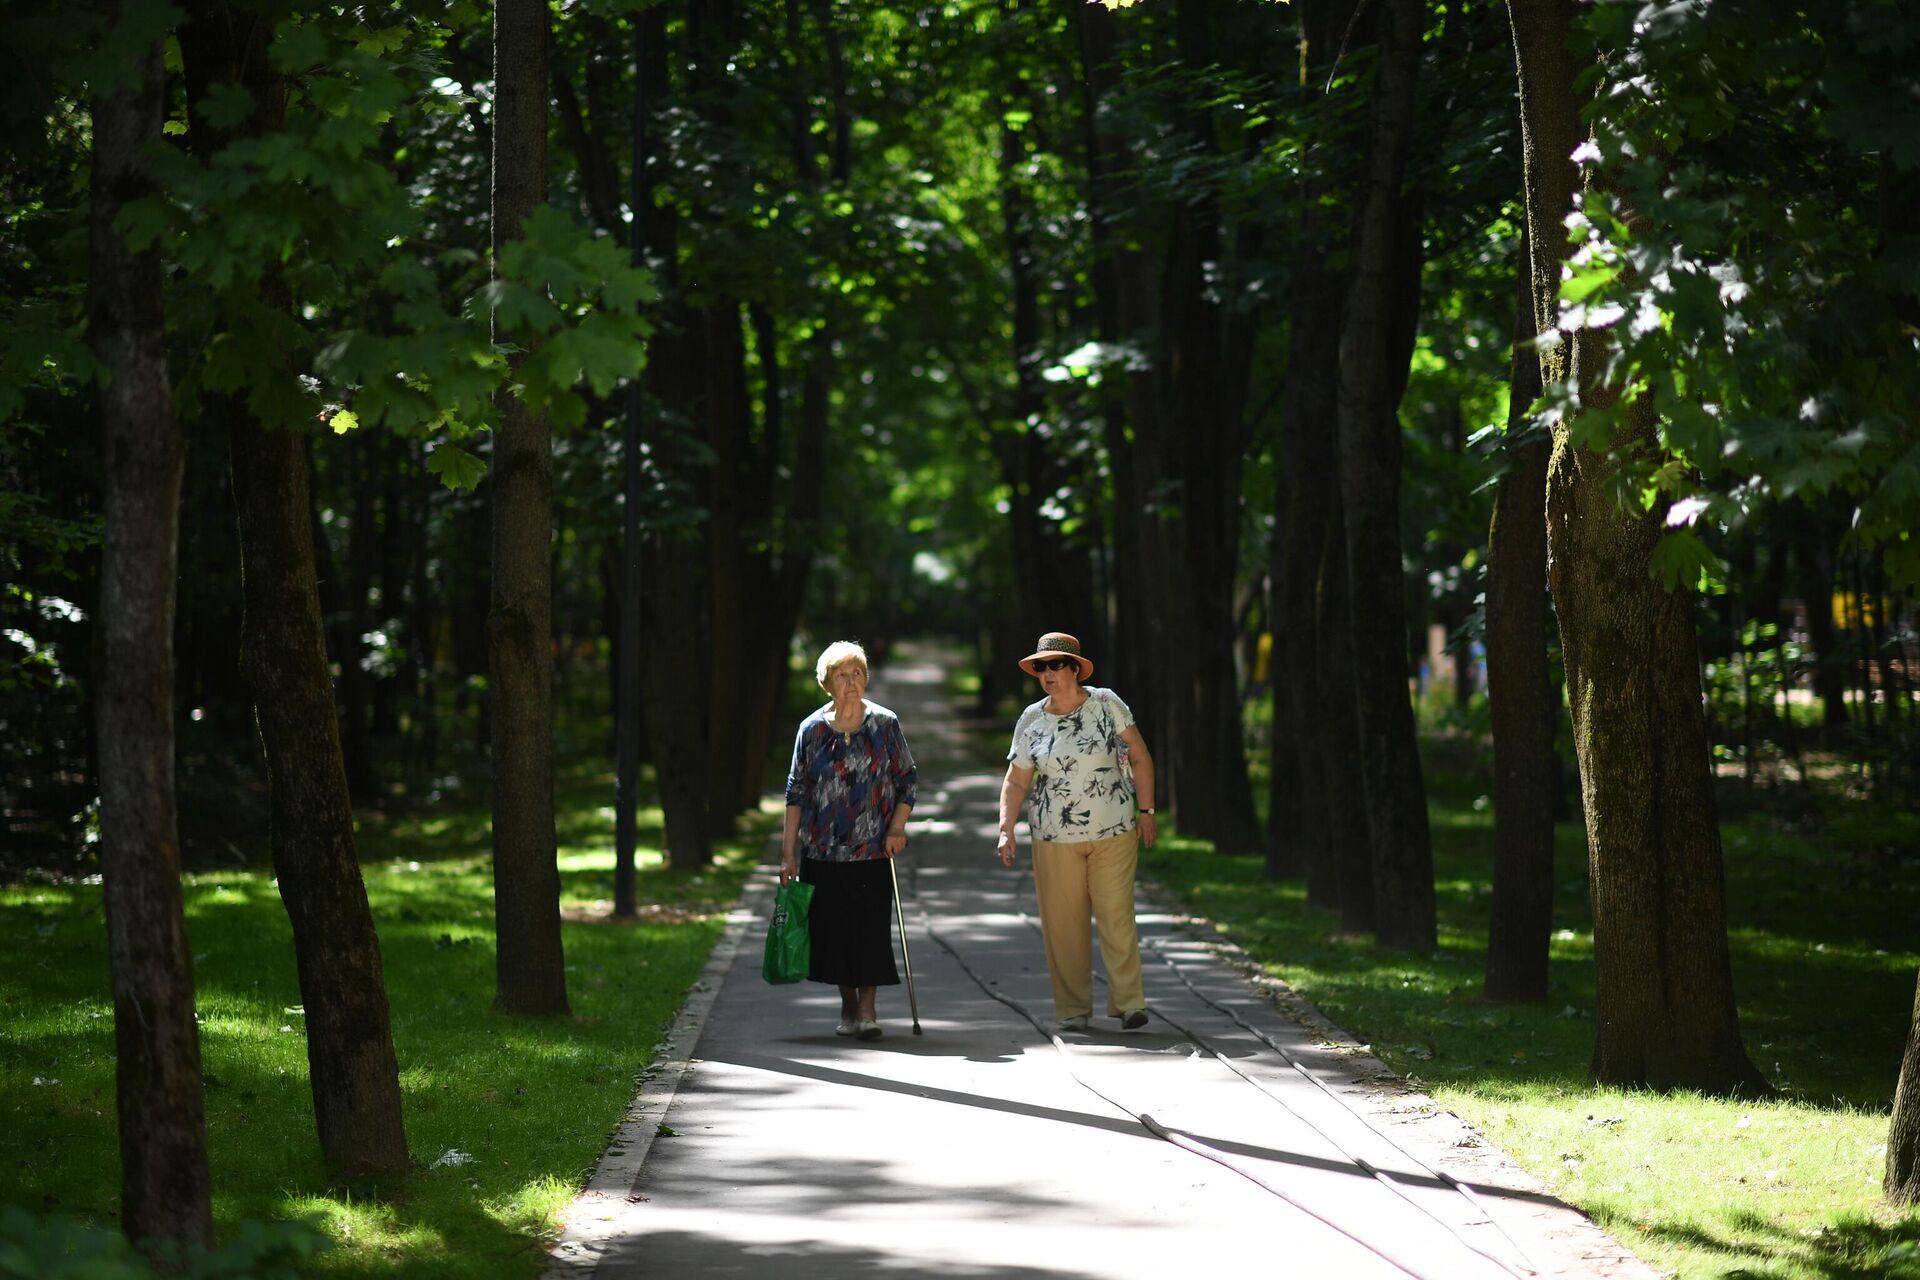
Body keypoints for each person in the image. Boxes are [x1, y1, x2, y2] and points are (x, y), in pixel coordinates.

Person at [995, 631, 1158, 1033]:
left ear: (1073, 669)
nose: (1047, 674)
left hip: (1115, 829)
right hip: (1054, 838)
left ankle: (1129, 1003)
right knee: (1062, 924)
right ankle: (1072, 1008)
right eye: (1040, 667)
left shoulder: (1105, 703)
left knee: (1116, 915)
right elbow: (1016, 781)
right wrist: (1005, 828)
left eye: (1054, 665)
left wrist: (1148, 810)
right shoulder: (1031, 719)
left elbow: (1139, 756)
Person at [782, 641, 917, 1040]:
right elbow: (795, 793)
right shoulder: (811, 730)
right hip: (822, 851)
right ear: (826, 683)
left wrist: (896, 828)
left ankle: (869, 1008)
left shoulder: (884, 724)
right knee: (834, 931)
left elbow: (907, 779)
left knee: (871, 929)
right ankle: (848, 1005)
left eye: (857, 672)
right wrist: (787, 854)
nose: (851, 681)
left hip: (873, 848)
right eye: (842, 674)